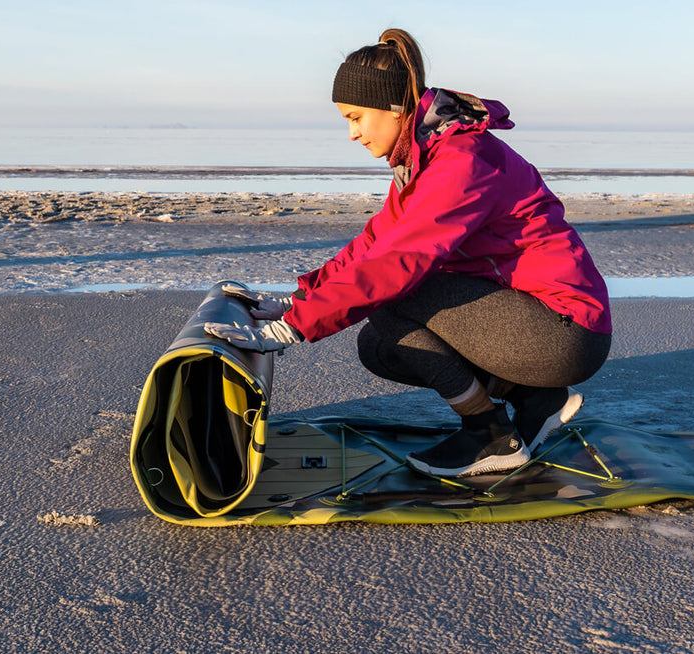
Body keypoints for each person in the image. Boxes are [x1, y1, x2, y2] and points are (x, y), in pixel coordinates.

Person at [206, 28, 612, 478]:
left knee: (395, 292)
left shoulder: (462, 159)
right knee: (381, 346)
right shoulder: (423, 156)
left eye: (357, 117)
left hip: (564, 332)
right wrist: (298, 300)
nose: (352, 134)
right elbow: (375, 242)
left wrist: (295, 329)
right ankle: (534, 399)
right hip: (529, 320)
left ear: (394, 108)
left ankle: (490, 436)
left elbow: (399, 263)